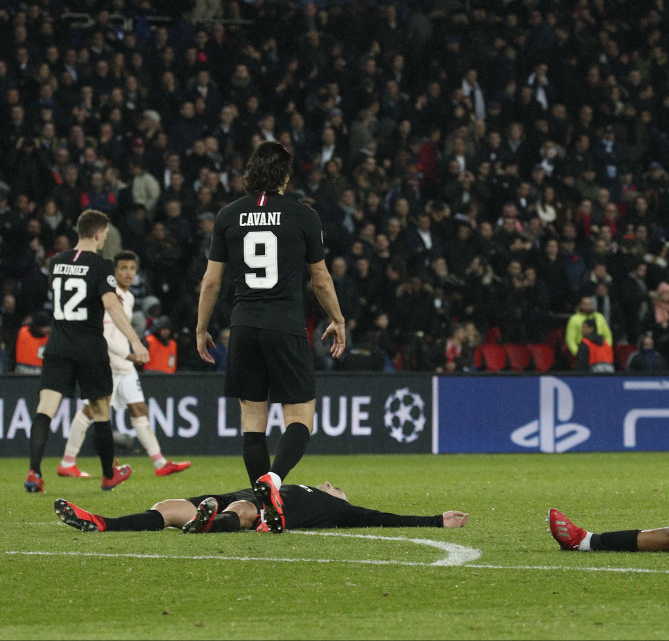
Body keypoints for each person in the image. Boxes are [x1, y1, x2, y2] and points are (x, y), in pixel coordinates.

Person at [195, 141, 346, 523]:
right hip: (285, 325)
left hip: (244, 326)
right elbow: (321, 278)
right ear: (285, 176)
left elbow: (212, 282)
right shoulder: (303, 216)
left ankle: (265, 508)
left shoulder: (228, 214)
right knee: (300, 417)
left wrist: (201, 328)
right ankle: (274, 481)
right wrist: (338, 319)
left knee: (252, 421)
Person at [25, 210, 150, 493]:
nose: (105, 237)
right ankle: (108, 475)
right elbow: (112, 306)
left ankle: (34, 472)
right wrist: (136, 341)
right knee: (100, 410)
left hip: (57, 345)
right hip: (89, 347)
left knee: (45, 409)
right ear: (97, 233)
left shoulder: (56, 262)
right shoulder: (101, 265)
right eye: (105, 233)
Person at [57, 251, 191, 479]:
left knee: (139, 409)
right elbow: (103, 336)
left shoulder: (127, 297)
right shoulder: (110, 297)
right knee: (91, 410)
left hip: (124, 366)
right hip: (108, 362)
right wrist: (129, 355)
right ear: (114, 271)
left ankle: (160, 463)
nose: (128, 273)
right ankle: (67, 462)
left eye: (132, 268)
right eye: (123, 268)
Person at [54, 482, 468, 533]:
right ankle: (102, 523)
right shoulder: (296, 482)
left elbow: (383, 519)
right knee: (168, 504)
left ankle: (207, 526)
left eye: (336, 487)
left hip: (259, 508)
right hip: (249, 492)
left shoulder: (342, 510)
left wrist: (435, 520)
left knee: (245, 509)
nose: (331, 485)